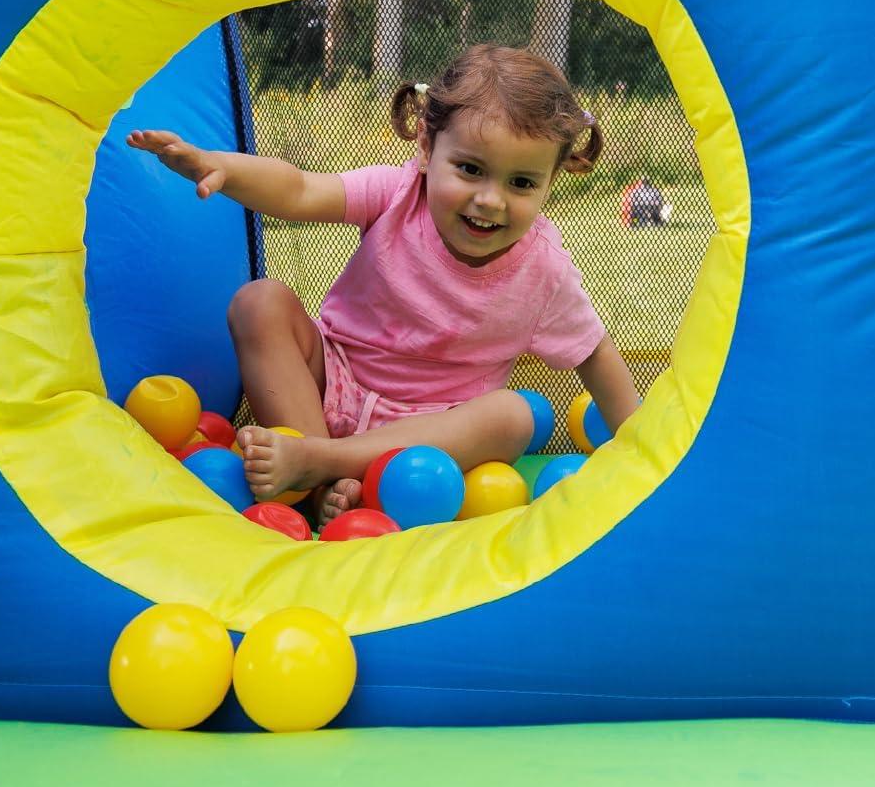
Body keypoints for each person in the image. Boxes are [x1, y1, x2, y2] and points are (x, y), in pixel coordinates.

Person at [127, 43, 641, 526]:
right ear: (425, 147)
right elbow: (302, 189)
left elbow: (594, 354)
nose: (491, 200)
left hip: (437, 434)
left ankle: (323, 468)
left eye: (522, 183)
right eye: (469, 169)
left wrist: (643, 453)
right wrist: (224, 166)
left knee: (514, 414)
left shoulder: (544, 271)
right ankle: (313, 469)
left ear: (552, 181)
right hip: (334, 386)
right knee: (259, 302)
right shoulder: (398, 194)